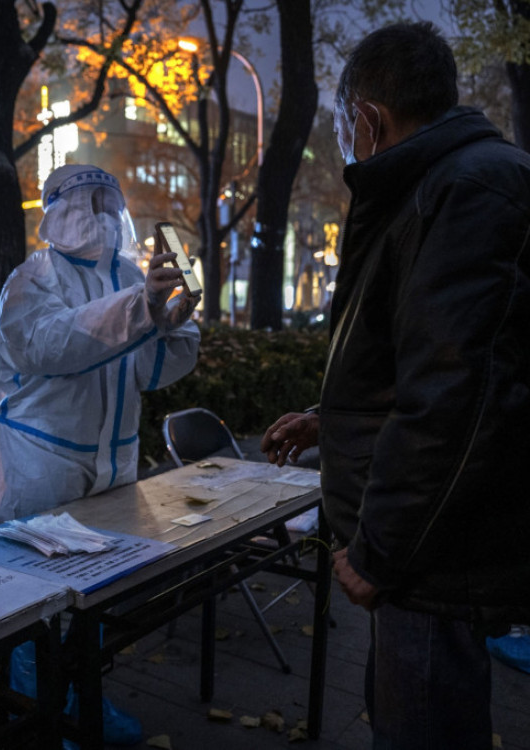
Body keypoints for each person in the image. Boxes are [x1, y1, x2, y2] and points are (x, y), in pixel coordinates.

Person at [260, 22, 530, 749]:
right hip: (428, 550)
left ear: (367, 118)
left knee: (422, 728)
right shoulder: (448, 182)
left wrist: (379, 553)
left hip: (430, 563)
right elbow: (416, 356)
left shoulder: (462, 189)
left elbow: (454, 395)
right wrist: (330, 417)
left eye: (344, 123)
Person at [0, 164, 201, 529]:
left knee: (113, 576)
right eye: (96, 204)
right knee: (37, 575)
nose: (109, 216)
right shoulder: (32, 277)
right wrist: (144, 309)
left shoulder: (128, 276)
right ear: (64, 208)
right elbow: (51, 347)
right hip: (37, 461)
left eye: (114, 206)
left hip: (117, 459)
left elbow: (144, 373)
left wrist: (169, 325)